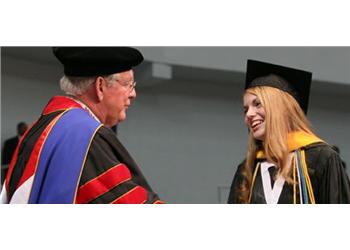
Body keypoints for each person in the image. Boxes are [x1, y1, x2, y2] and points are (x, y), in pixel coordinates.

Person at [0, 47, 163, 204]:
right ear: (100, 86)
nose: (133, 94)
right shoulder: (86, 136)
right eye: (128, 85)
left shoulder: (42, 127)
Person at [228, 60, 350, 204]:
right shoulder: (248, 168)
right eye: (245, 109)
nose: (249, 114)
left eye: (257, 104)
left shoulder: (322, 159)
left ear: (281, 107)